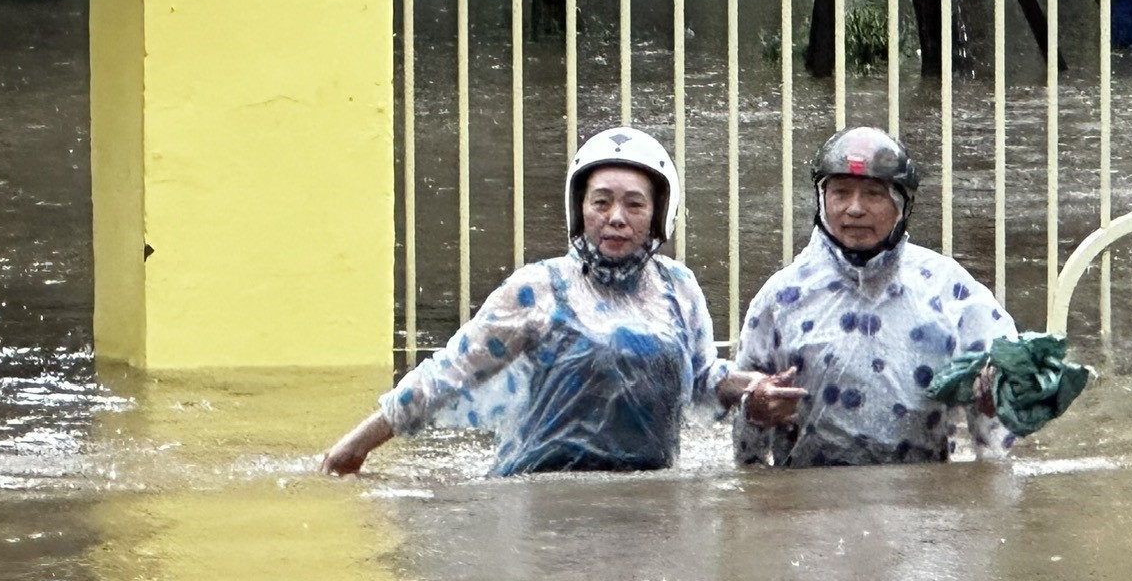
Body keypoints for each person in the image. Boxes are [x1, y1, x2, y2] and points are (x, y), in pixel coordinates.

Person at [323, 127, 801, 477]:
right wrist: (357, 444)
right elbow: (450, 373)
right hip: (545, 493)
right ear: (579, 209)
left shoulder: (678, 287)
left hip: (648, 497)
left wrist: (754, 388)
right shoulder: (538, 288)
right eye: (601, 202)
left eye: (634, 204)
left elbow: (703, 378)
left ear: (659, 215)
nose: (616, 218)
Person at [733, 126, 1017, 468]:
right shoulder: (782, 298)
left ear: (902, 204)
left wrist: (994, 395)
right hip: (809, 494)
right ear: (822, 200)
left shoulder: (948, 289)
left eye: (873, 195)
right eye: (840, 193)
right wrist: (755, 409)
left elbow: (1003, 429)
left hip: (921, 493)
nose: (855, 209)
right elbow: (745, 454)